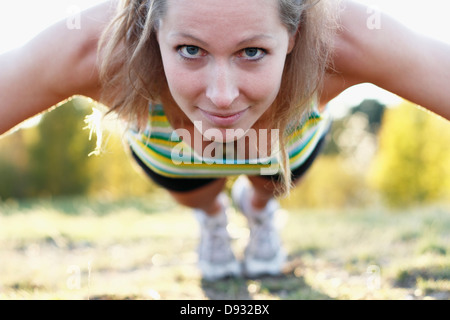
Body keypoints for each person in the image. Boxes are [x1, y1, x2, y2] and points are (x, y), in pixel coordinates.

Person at [1, 0, 449, 281]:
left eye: (251, 51)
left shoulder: (343, 38)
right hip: (169, 155)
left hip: (283, 151)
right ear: (155, 31)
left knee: (268, 182)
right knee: (199, 197)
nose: (221, 96)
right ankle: (214, 220)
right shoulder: (94, 46)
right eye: (190, 50)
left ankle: (258, 210)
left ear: (292, 36)